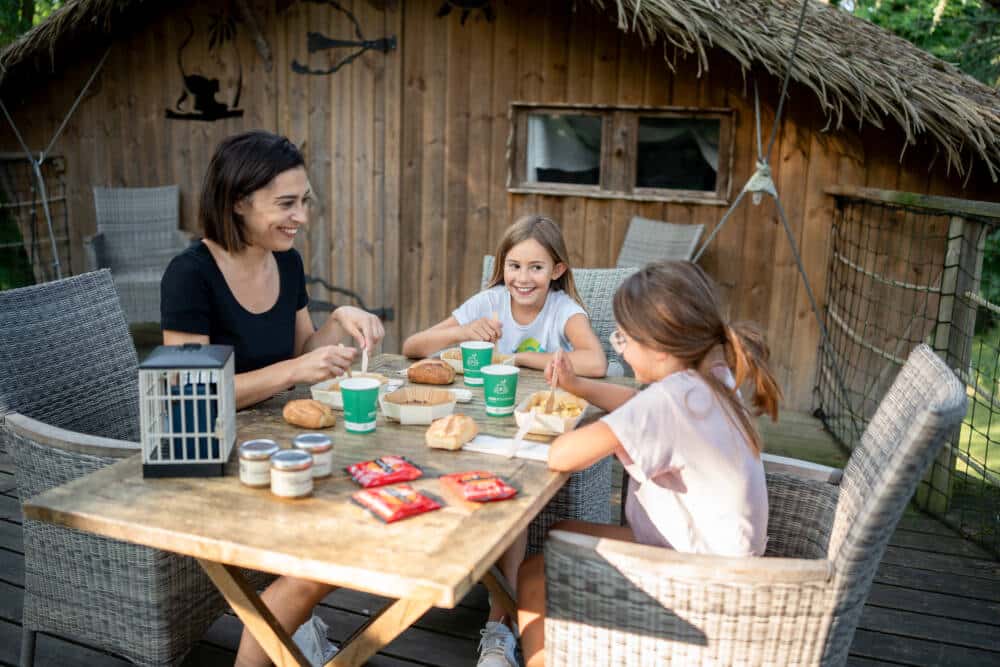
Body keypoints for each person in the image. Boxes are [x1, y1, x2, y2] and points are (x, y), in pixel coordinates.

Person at [160, 130, 385, 666]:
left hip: (271, 448)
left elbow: (304, 351)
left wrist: (339, 322)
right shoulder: (190, 276)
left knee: (371, 497)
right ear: (238, 201)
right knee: (341, 531)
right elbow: (188, 396)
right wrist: (293, 371)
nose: (301, 216)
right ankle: (284, 627)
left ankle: (286, 620)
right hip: (200, 461)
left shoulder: (285, 262)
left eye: (303, 201)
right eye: (286, 204)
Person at [510, 261, 782, 667]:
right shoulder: (711, 376)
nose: (619, 346)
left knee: (535, 574)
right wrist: (578, 386)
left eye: (622, 337)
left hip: (700, 585)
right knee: (561, 533)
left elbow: (561, 454)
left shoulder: (670, 401)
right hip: (722, 562)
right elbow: (639, 408)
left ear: (656, 345)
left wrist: (560, 423)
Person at [401, 215, 607, 378]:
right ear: (503, 265)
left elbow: (596, 363)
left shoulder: (564, 311)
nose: (523, 278)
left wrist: (519, 358)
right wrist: (462, 332)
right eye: (514, 266)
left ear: (556, 270)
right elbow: (412, 346)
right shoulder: (489, 301)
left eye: (536, 267)